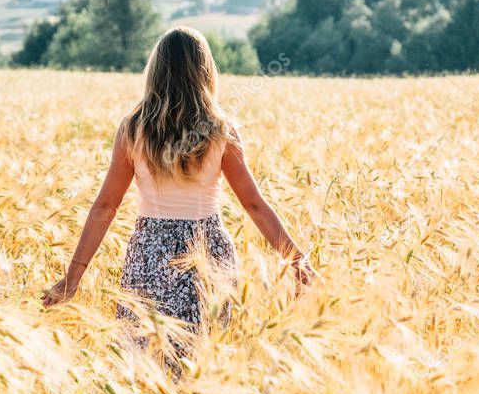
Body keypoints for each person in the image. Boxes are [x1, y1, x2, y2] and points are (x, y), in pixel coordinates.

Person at [41, 26, 314, 335]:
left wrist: (72, 278)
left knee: (145, 357)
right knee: (203, 355)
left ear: (155, 72)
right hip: (208, 253)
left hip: (149, 255)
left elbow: (106, 206)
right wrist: (297, 260)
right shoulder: (220, 130)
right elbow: (254, 204)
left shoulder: (133, 129)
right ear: (205, 72)